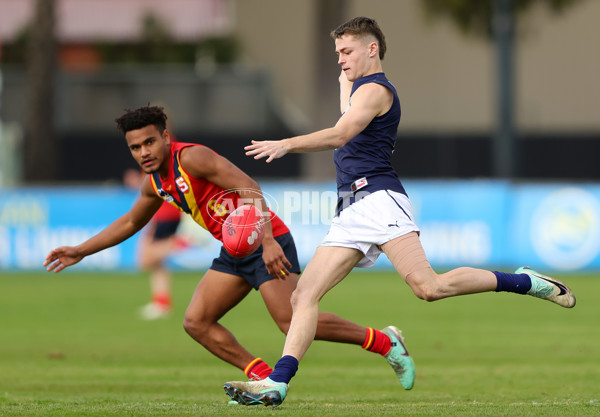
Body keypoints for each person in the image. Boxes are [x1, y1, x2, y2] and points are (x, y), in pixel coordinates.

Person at [222, 16, 576, 407]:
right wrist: (344, 78)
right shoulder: (359, 90)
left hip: (378, 199)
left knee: (429, 288)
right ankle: (278, 383)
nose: (340, 59)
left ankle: (526, 282)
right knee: (303, 296)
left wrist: (287, 143)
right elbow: (347, 116)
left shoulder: (375, 90)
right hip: (350, 209)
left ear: (372, 49)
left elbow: (340, 134)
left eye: (347, 51)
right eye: (337, 52)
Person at [43, 105, 417, 395]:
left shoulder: (190, 158)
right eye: (135, 147)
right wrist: (80, 250)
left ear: (165, 137)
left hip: (266, 240)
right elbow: (129, 223)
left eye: (149, 142)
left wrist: (269, 241)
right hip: (234, 250)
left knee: (291, 322)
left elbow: (249, 186)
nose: (143, 152)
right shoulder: (154, 183)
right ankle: (263, 378)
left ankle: (385, 342)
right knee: (196, 321)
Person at [124, 166, 185, 320]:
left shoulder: (157, 149)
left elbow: (162, 180)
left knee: (144, 260)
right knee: (158, 263)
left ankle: (182, 243)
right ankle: (162, 303)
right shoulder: (158, 149)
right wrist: (138, 182)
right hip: (166, 212)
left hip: (164, 212)